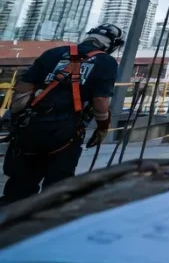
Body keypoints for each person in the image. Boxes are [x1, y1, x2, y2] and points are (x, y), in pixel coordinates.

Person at [2, 24, 121, 204]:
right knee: (58, 188)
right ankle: (46, 224)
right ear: (111, 44)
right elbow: (101, 101)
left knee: (20, 185)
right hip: (66, 132)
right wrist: (102, 127)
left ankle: (10, 221)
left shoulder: (53, 53)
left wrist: (16, 121)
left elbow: (23, 88)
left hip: (31, 127)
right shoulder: (106, 62)